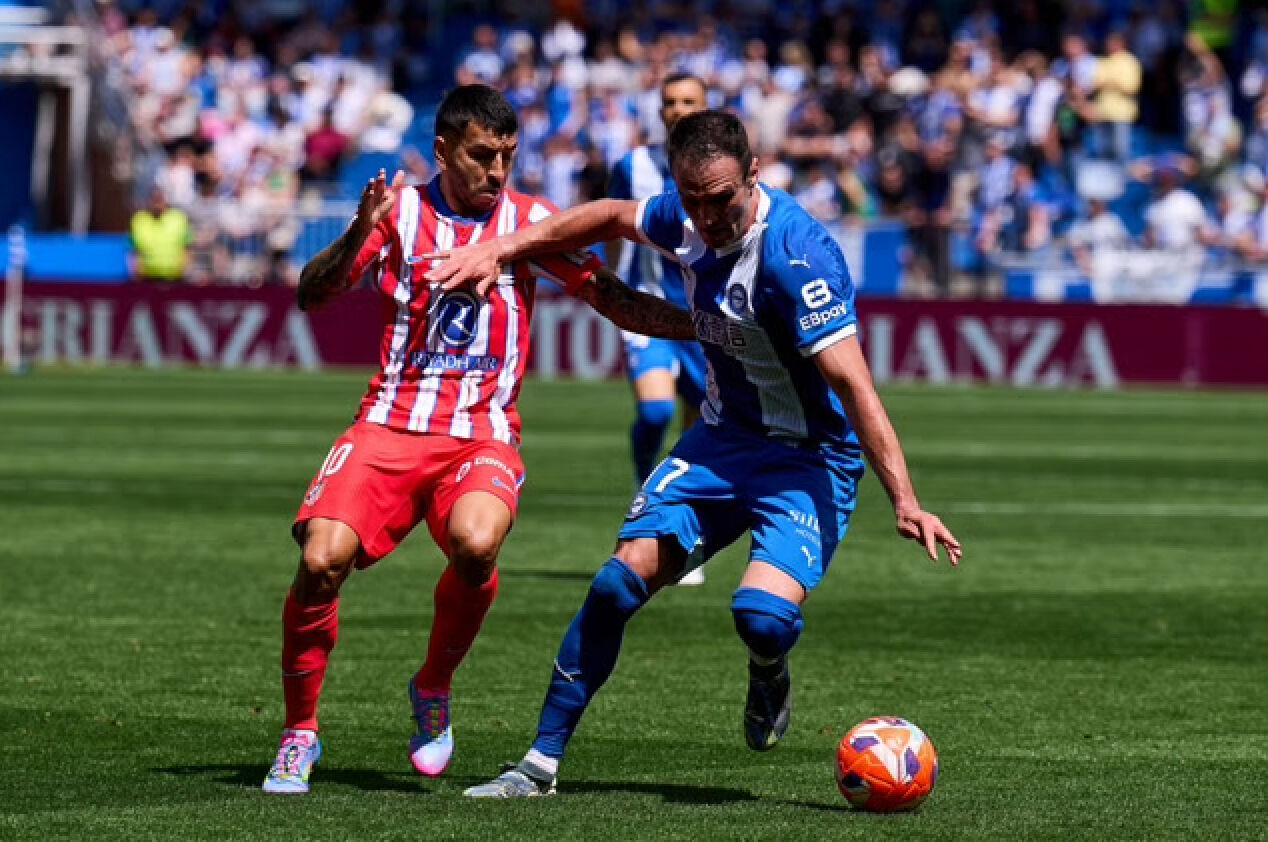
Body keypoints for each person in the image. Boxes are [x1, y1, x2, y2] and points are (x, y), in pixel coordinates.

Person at [422, 110, 962, 798]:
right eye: (693, 199)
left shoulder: (798, 257)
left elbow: (855, 386)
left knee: (761, 618)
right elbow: (611, 216)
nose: (705, 216)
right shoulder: (682, 210)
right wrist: (503, 248)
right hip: (721, 441)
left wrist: (906, 500)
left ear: (755, 175)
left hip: (809, 460)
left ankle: (769, 669)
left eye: (721, 199)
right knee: (617, 583)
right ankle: (539, 765)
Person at [261, 84, 694, 795]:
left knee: (476, 542)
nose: (497, 172)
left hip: (480, 434)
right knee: (320, 560)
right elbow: (314, 294)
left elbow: (611, 297)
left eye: (508, 157)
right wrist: (354, 232)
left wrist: (708, 329)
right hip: (389, 423)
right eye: (482, 156)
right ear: (442, 152)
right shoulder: (397, 213)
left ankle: (433, 686)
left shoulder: (529, 223)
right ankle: (299, 733)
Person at [605, 72, 710, 585]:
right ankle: (644, 496)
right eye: (670, 101)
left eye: (689, 100)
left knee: (698, 430)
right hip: (648, 313)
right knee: (655, 410)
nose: (678, 109)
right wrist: (609, 288)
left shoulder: (722, 168)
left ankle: (677, 532)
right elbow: (609, 227)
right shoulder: (634, 167)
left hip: (705, 319)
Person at [129, 186, 190, 283]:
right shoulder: (139, 220)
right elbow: (133, 251)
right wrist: (137, 275)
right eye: (154, 199)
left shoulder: (179, 218)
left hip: (175, 280)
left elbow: (187, 248)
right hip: (147, 280)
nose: (157, 202)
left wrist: (183, 272)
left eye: (160, 198)